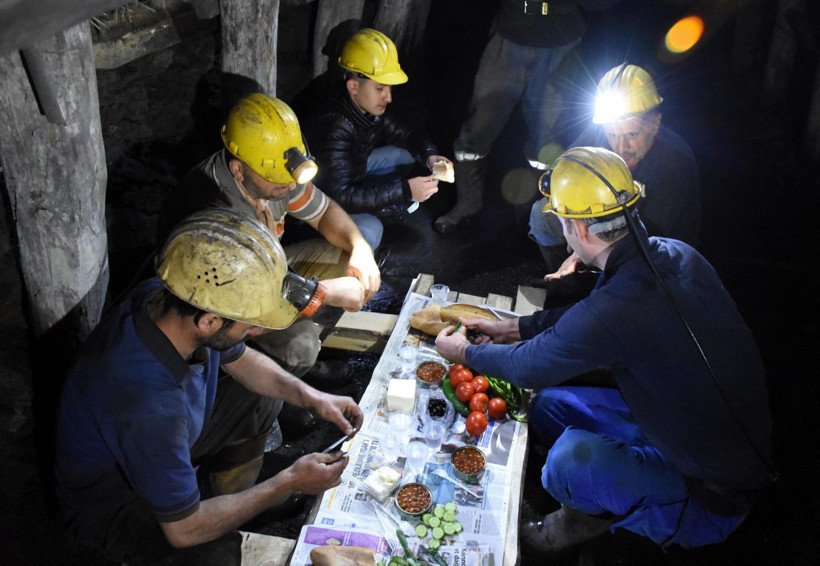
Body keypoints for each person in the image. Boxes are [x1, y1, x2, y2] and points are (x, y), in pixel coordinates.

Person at [435, 147, 772, 553]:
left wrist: (462, 353)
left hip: (710, 492)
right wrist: (514, 327)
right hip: (689, 425)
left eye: (559, 219)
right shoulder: (674, 253)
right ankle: (610, 486)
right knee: (548, 408)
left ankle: (572, 527)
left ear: (577, 228)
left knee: (567, 460)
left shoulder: (623, 304)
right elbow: (589, 318)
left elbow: (529, 367)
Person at [55, 209, 364, 565]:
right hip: (113, 500)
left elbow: (242, 359)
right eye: (249, 324)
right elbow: (183, 530)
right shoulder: (147, 401)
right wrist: (288, 481)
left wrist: (313, 397)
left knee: (260, 398)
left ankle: (236, 497)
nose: (257, 331)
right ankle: (216, 507)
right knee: (215, 553)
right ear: (209, 321)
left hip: (160, 440)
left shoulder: (168, 298)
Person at [161, 94, 380, 397]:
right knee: (300, 345)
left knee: (349, 258)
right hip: (222, 299)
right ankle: (265, 401)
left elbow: (325, 211)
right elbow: (242, 302)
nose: (290, 186)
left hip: (268, 268)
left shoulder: (276, 169)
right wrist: (323, 293)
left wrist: (360, 248)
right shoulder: (216, 210)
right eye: (279, 180)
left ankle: (304, 360)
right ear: (238, 169)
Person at [433, 0, 621, 235]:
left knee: (547, 135)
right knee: (478, 125)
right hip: (509, 32)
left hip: (561, 41)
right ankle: (468, 203)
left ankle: (536, 214)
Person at [529, 63, 701, 277]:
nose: (621, 147)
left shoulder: (674, 161)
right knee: (542, 216)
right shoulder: (600, 135)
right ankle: (566, 282)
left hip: (656, 244)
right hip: (603, 220)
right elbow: (566, 166)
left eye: (632, 135)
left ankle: (603, 287)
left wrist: (585, 251)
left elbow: (650, 234)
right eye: (613, 135)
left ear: (656, 123)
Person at [302, 27, 451, 250]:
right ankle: (330, 262)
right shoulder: (334, 126)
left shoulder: (364, 105)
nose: (388, 97)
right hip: (320, 199)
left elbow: (409, 134)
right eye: (380, 88)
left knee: (403, 155)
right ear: (353, 85)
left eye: (389, 87)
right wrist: (404, 191)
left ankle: (372, 201)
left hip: (352, 172)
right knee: (370, 232)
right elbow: (339, 195)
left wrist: (431, 157)